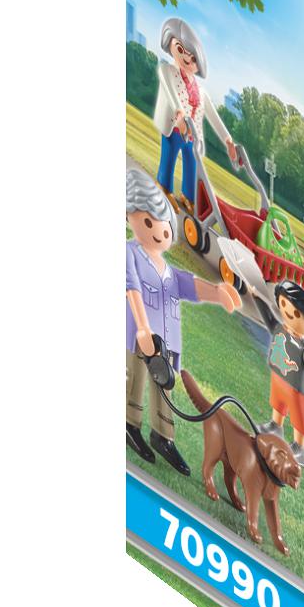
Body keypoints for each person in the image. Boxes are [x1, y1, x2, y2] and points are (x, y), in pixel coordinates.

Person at [124, 162, 242, 474]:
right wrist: (142, 328)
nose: (160, 231)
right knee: (135, 378)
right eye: (149, 222)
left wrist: (217, 292)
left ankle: (163, 436)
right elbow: (131, 288)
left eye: (164, 225)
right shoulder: (130, 253)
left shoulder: (168, 270)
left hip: (166, 339)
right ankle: (129, 424)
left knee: (164, 385)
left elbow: (189, 286)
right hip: (140, 335)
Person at [152, 16, 241, 209]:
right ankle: (163, 187)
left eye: (193, 58)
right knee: (169, 156)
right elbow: (171, 92)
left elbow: (213, 117)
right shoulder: (167, 71)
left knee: (192, 164)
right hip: (174, 128)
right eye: (181, 49)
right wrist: (179, 113)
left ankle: (188, 196)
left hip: (192, 135)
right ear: (170, 42)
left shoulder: (201, 92)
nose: (187, 58)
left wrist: (228, 140)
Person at [266, 280, 304, 465]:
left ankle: (299, 448)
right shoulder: (280, 329)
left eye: (296, 313)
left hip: (296, 388)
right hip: (279, 377)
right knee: (277, 403)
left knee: (298, 416)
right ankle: (275, 426)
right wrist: (256, 298)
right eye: (284, 304)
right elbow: (268, 318)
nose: (288, 312)